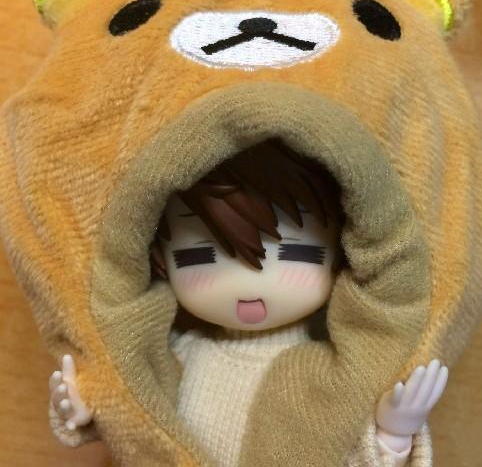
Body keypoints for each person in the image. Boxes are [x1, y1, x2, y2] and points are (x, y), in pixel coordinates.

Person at [49, 140, 448, 466]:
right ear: (161, 260)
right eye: (198, 257)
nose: (250, 285)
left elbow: (344, 447)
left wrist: (393, 435)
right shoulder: (175, 356)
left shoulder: (331, 371)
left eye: (297, 254)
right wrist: (92, 407)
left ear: (340, 257)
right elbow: (140, 418)